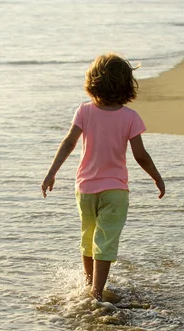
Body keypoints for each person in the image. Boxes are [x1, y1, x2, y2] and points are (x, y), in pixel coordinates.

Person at [41, 53, 165, 302]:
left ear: (93, 82)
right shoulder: (130, 117)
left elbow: (69, 143)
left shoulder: (85, 111)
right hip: (115, 191)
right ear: (126, 85)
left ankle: (89, 286)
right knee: (105, 240)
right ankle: (96, 293)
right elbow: (141, 155)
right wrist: (156, 177)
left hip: (85, 189)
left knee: (88, 237)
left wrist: (52, 172)